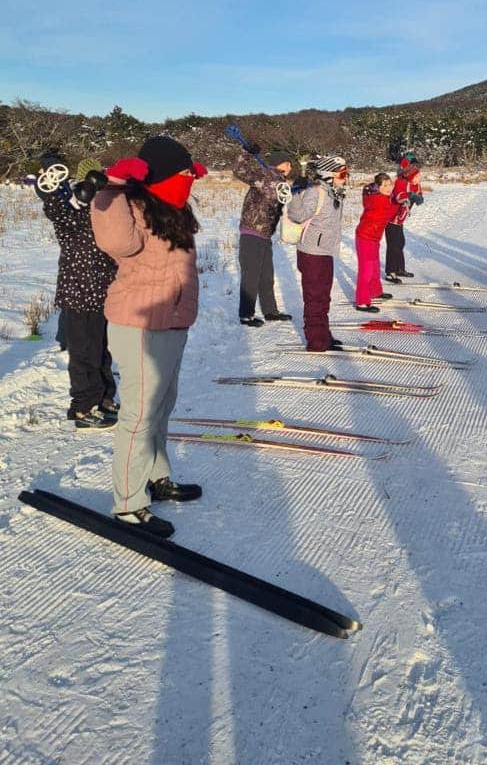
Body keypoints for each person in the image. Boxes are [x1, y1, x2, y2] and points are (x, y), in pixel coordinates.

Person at [91, 136, 207, 538]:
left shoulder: (173, 208)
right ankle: (128, 504)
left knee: (162, 407)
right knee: (139, 416)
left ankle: (158, 477)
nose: (190, 177)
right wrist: (111, 187)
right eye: (184, 171)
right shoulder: (130, 207)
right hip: (138, 325)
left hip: (173, 322)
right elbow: (115, 242)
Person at [34, 152, 118, 429]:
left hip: (104, 290)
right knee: (83, 354)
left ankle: (105, 397)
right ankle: (83, 407)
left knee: (102, 350)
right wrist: (71, 193)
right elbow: (56, 209)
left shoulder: (102, 209)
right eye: (92, 186)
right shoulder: (67, 209)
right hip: (79, 293)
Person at [287, 156, 347, 351]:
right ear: (329, 174)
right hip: (312, 253)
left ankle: (323, 334)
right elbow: (297, 216)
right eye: (342, 173)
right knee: (314, 298)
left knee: (323, 297)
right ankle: (316, 341)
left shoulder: (334, 192)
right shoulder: (316, 192)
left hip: (325, 251)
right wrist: (295, 193)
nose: (345, 178)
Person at [233, 139, 293, 326]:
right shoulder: (263, 175)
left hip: (265, 234)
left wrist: (300, 187)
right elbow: (239, 170)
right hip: (251, 231)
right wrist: (246, 152)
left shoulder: (282, 183)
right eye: (287, 162)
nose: (290, 165)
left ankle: (270, 311)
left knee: (267, 275)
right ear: (278, 163)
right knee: (251, 275)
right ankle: (246, 314)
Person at [355, 173, 399, 311]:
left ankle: (375, 291)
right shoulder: (377, 199)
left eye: (389, 184)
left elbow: (391, 214)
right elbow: (388, 207)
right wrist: (400, 200)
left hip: (374, 237)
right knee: (366, 270)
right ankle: (361, 301)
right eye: (384, 185)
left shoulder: (385, 199)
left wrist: (403, 203)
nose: (388, 187)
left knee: (374, 266)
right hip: (365, 237)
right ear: (377, 187)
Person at [384, 152, 424, 283]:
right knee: (393, 245)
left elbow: (418, 192)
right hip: (391, 219)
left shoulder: (415, 183)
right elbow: (398, 195)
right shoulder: (401, 181)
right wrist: (409, 196)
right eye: (417, 175)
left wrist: (419, 197)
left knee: (400, 243)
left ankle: (400, 268)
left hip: (400, 220)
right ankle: (390, 272)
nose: (420, 177)